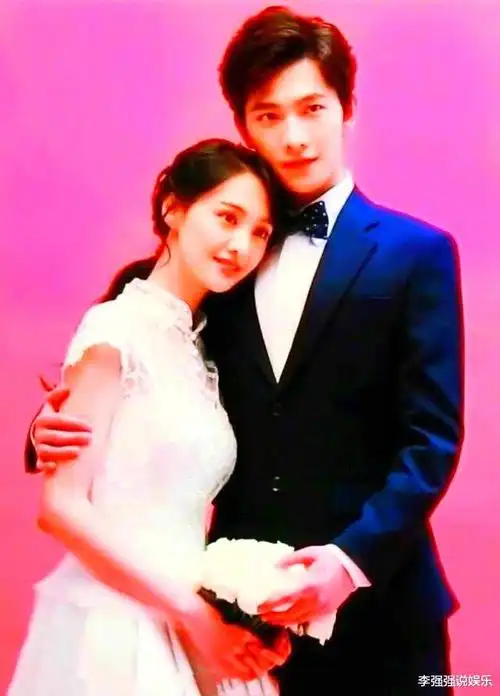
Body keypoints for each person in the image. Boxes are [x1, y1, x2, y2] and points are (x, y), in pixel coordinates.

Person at [25, 6, 465, 695]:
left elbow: (431, 440)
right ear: (242, 124)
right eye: (268, 116)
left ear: (346, 107)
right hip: (238, 619)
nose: (294, 136)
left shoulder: (418, 255)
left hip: (381, 607)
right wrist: (45, 430)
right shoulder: (220, 256)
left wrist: (349, 562)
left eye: (312, 108)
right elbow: (134, 359)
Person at [11, 138, 291, 696]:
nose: (241, 245)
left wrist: (236, 615)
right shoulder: (116, 329)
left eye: (260, 232)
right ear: (173, 210)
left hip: (185, 620)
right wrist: (191, 614)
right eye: (227, 217)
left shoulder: (203, 347)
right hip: (117, 623)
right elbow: (61, 508)